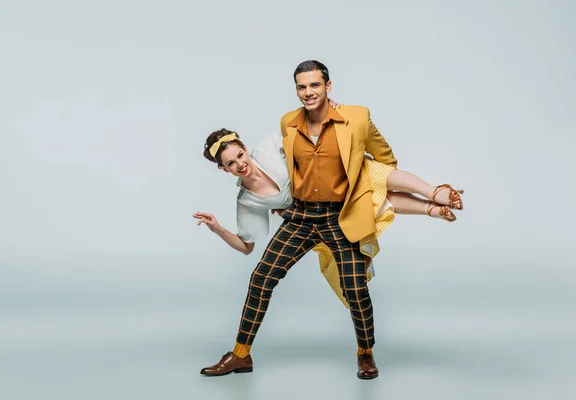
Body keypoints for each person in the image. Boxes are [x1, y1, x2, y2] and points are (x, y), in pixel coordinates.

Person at [196, 60, 463, 380]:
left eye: (314, 85)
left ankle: (365, 353)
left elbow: (385, 158)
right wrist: (221, 226)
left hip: (339, 216)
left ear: (328, 86)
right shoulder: (287, 125)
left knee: (355, 287)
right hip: (299, 218)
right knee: (260, 279)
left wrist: (362, 180)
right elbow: (255, 228)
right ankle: (240, 355)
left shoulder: (355, 118)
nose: (308, 92)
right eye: (301, 87)